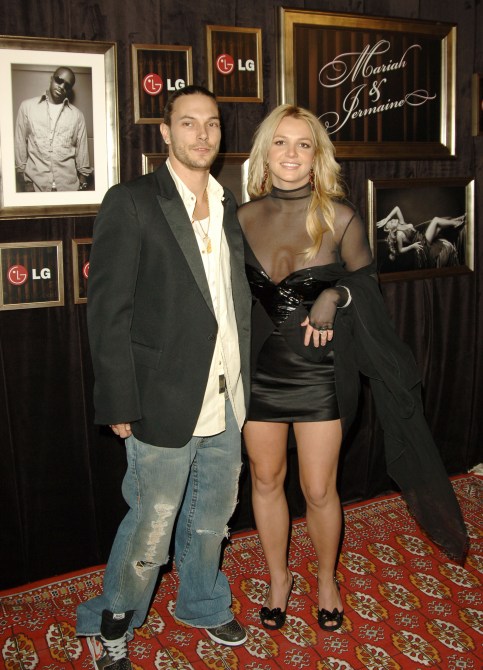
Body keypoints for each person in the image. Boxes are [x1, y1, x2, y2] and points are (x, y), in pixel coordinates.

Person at [237, 104, 468, 634]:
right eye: (281, 142)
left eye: (303, 144)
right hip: (259, 373)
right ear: (265, 153)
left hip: (321, 372)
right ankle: (278, 579)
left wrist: (335, 294)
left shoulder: (340, 217)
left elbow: (367, 285)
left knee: (319, 488)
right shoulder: (241, 218)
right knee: (266, 480)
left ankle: (325, 580)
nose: (291, 154)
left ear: (317, 156)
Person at [76, 85, 252, 670]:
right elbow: (108, 311)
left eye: (212, 123)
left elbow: (230, 300)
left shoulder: (228, 203)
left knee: (213, 518)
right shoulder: (132, 201)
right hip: (160, 398)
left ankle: (201, 602)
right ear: (165, 132)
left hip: (227, 395)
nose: (202, 134)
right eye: (189, 123)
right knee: (151, 526)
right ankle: (114, 622)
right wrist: (118, 400)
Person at [14, 66, 93, 192]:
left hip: (69, 188)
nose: (61, 86)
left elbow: (82, 153)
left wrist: (82, 185)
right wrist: (26, 182)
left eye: (67, 85)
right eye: (59, 80)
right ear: (51, 79)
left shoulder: (77, 115)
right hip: (36, 187)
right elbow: (20, 144)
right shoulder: (27, 107)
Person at [377, 205, 465, 269]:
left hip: (423, 236)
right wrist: (413, 246)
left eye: (391, 220)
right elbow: (400, 250)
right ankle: (457, 223)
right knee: (435, 220)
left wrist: (386, 219)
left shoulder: (402, 223)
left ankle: (459, 219)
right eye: (391, 223)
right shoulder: (399, 234)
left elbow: (397, 208)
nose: (392, 220)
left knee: (440, 226)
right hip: (423, 244)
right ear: (393, 229)